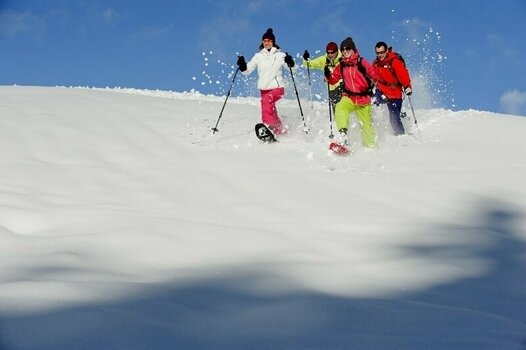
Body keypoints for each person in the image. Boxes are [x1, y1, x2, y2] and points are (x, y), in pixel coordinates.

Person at [236, 28, 296, 135]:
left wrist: (290, 62)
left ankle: (270, 127)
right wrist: (242, 66)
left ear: (273, 42)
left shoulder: (280, 55)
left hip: (277, 88)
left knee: (267, 101)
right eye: (264, 41)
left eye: (268, 41)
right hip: (264, 90)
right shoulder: (258, 56)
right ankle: (280, 130)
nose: (266, 43)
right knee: (268, 111)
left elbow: (293, 69)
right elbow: (247, 71)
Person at [325, 37, 378, 148]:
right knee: (340, 107)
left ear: (353, 49)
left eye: (347, 48)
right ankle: (343, 136)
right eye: (342, 49)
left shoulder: (361, 62)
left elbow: (375, 76)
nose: (345, 51)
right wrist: (328, 75)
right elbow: (333, 79)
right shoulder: (342, 65)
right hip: (349, 97)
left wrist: (376, 88)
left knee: (366, 127)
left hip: (363, 99)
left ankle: (372, 149)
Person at [371, 41, 413, 136]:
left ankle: (400, 135)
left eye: (382, 52)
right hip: (381, 90)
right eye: (378, 53)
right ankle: (375, 133)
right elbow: (372, 76)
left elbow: (403, 76)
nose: (380, 55)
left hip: (395, 92)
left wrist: (407, 87)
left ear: (386, 51)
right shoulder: (376, 63)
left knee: (394, 116)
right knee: (374, 107)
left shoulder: (394, 61)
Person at [302, 42, 342, 112]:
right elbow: (309, 64)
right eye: (328, 52)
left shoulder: (342, 58)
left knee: (345, 107)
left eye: (332, 52)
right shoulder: (324, 60)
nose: (330, 55)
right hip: (332, 90)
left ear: (336, 51)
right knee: (337, 111)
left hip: (343, 87)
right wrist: (305, 59)